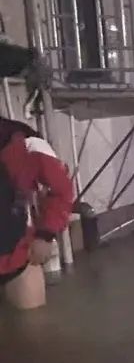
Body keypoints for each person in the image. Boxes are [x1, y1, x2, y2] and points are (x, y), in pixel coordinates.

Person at [0, 115, 73, 311]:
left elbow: (62, 191)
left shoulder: (25, 143)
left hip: (16, 257)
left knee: (34, 333)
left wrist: (46, 235)